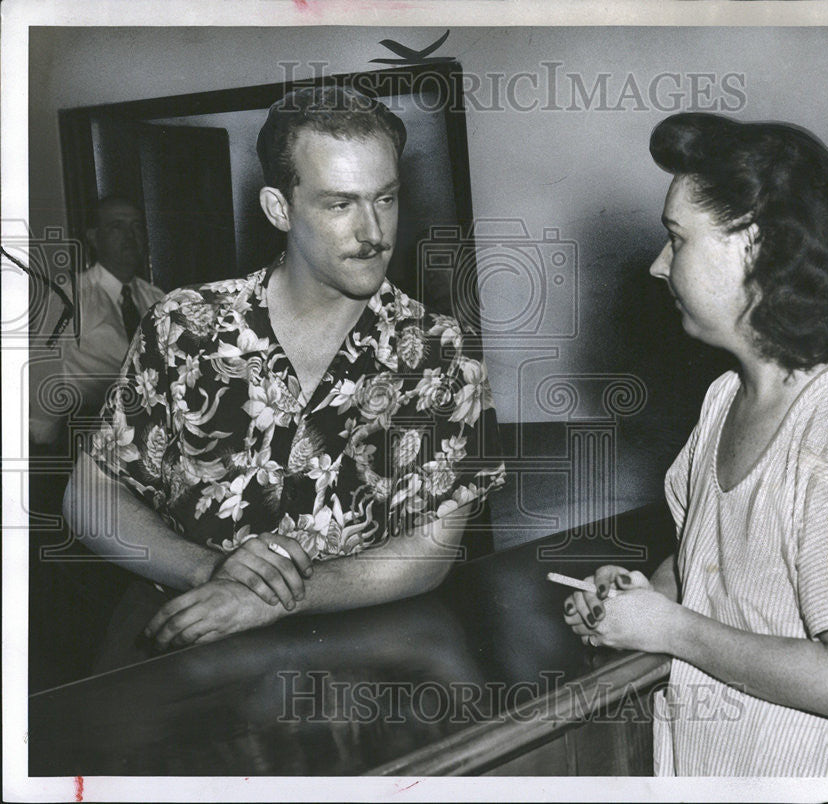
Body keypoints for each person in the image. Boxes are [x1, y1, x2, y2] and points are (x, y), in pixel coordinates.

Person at [562, 113, 828, 776]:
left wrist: (666, 629)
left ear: (757, 248)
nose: (659, 266)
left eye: (676, 240)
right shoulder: (724, 400)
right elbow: (711, 565)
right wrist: (635, 593)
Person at [63, 85, 505, 655]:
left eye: (386, 199)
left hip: (360, 665)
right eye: (340, 204)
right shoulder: (186, 326)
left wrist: (271, 596)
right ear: (280, 208)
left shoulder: (442, 354)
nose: (373, 233)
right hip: (183, 649)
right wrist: (212, 572)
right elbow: (90, 495)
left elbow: (431, 551)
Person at [30, 195, 164, 446]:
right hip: (87, 431)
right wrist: (42, 442)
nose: (129, 236)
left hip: (149, 431)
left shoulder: (156, 299)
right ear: (93, 237)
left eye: (136, 227)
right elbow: (41, 368)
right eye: (117, 227)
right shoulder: (70, 297)